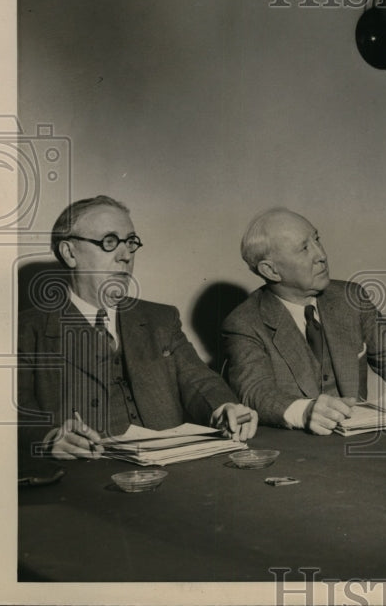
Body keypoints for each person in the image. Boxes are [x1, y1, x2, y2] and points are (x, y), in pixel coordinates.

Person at [18, 196, 258, 461]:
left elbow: (199, 380)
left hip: (172, 472)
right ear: (69, 253)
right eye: (109, 242)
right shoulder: (26, 332)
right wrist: (50, 438)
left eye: (130, 242)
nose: (125, 256)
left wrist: (225, 407)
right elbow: (12, 415)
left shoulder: (160, 319)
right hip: (85, 477)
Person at [223, 208, 386, 434]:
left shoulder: (351, 298)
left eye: (317, 239)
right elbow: (255, 391)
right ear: (271, 271)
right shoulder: (244, 322)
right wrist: (304, 412)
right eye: (304, 248)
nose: (321, 255)